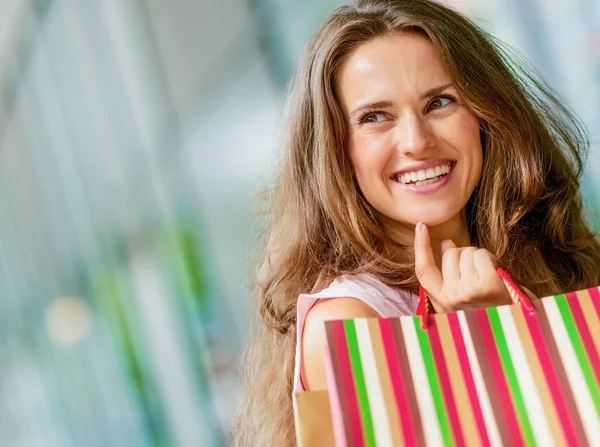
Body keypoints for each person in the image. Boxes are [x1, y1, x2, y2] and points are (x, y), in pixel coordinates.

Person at [233, 0, 600, 445]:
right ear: (335, 150)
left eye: (439, 102)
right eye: (375, 118)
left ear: (486, 116)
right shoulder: (348, 322)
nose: (416, 141)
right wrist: (481, 342)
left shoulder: (549, 254)